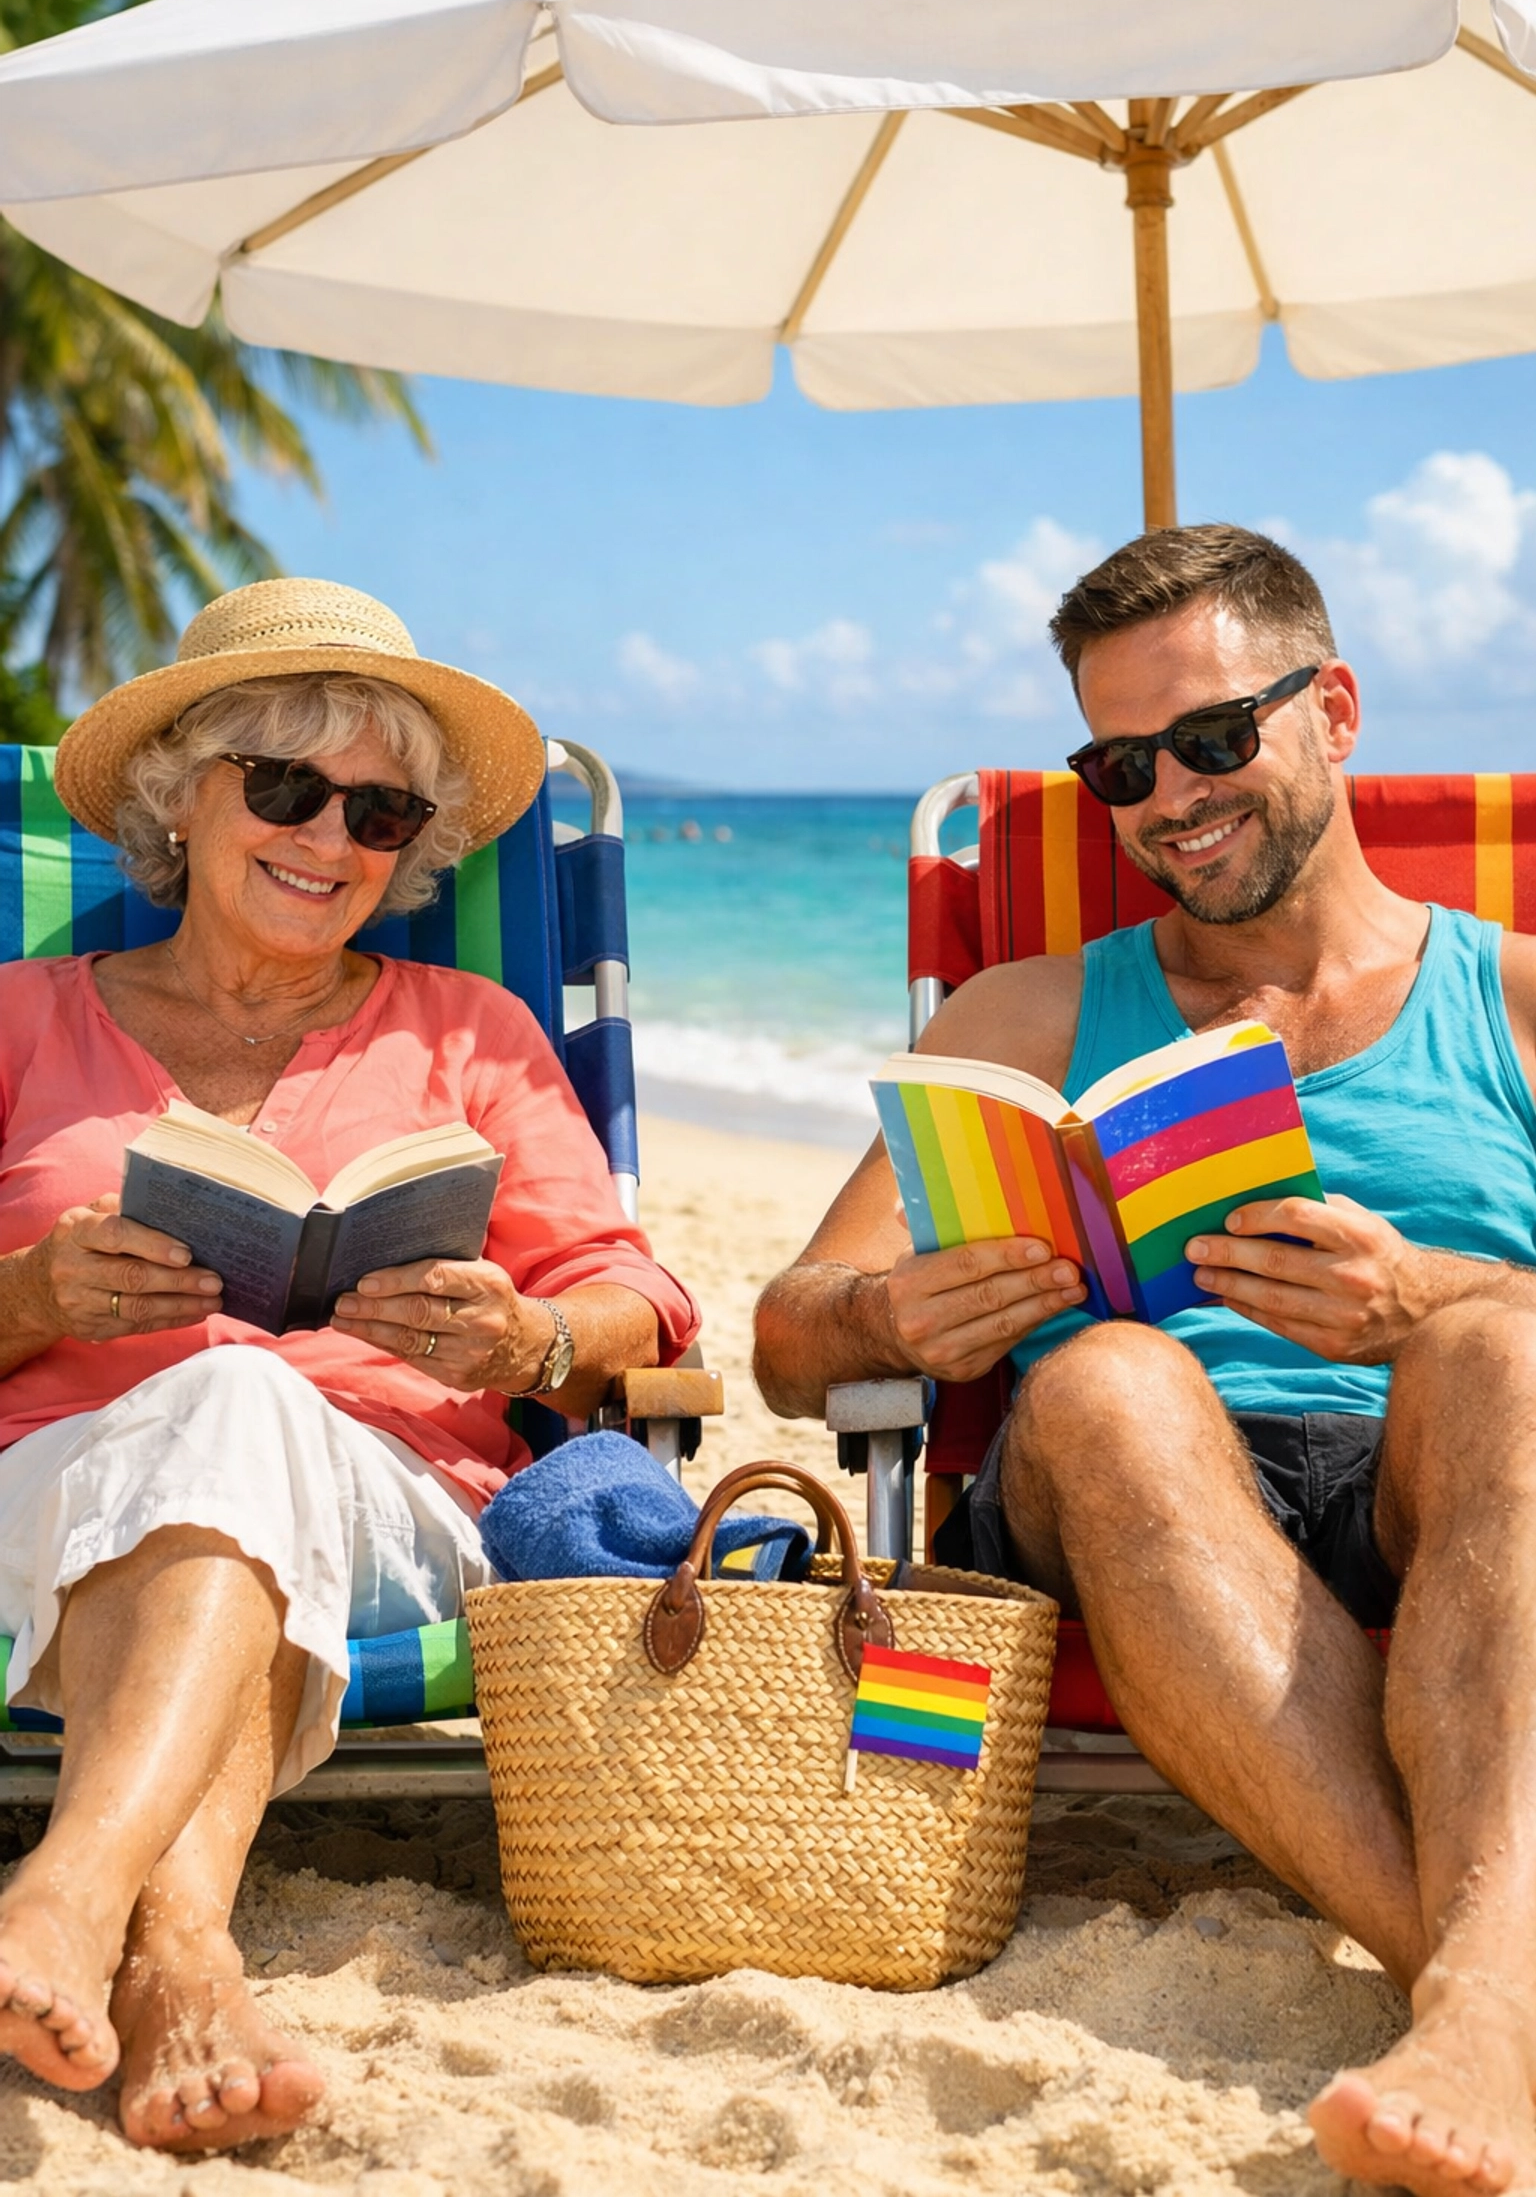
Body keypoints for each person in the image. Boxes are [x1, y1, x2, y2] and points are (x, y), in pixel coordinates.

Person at [754, 525, 1536, 2197]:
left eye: (1210, 738)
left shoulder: (1518, 1005)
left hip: (1436, 1480)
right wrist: (888, 1320)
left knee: (1502, 1353)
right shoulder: (1021, 1015)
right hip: (1116, 1499)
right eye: (1118, 763)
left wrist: (1441, 1294)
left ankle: (1474, 2011)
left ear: (1331, 707)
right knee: (1111, 1375)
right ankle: (1483, 1998)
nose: (1167, 797)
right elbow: (786, 1330)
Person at [0, 578, 698, 2153]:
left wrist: (525, 1337)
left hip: (394, 1510)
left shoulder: (471, 1028)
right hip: (35, 1500)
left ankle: (64, 1892)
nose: (332, 837)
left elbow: (634, 1300)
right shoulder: (18, 1021)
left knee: (243, 1405)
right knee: (225, 1418)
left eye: (379, 811)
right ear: (185, 799)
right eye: (288, 786)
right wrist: (38, 1290)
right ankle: (177, 1958)